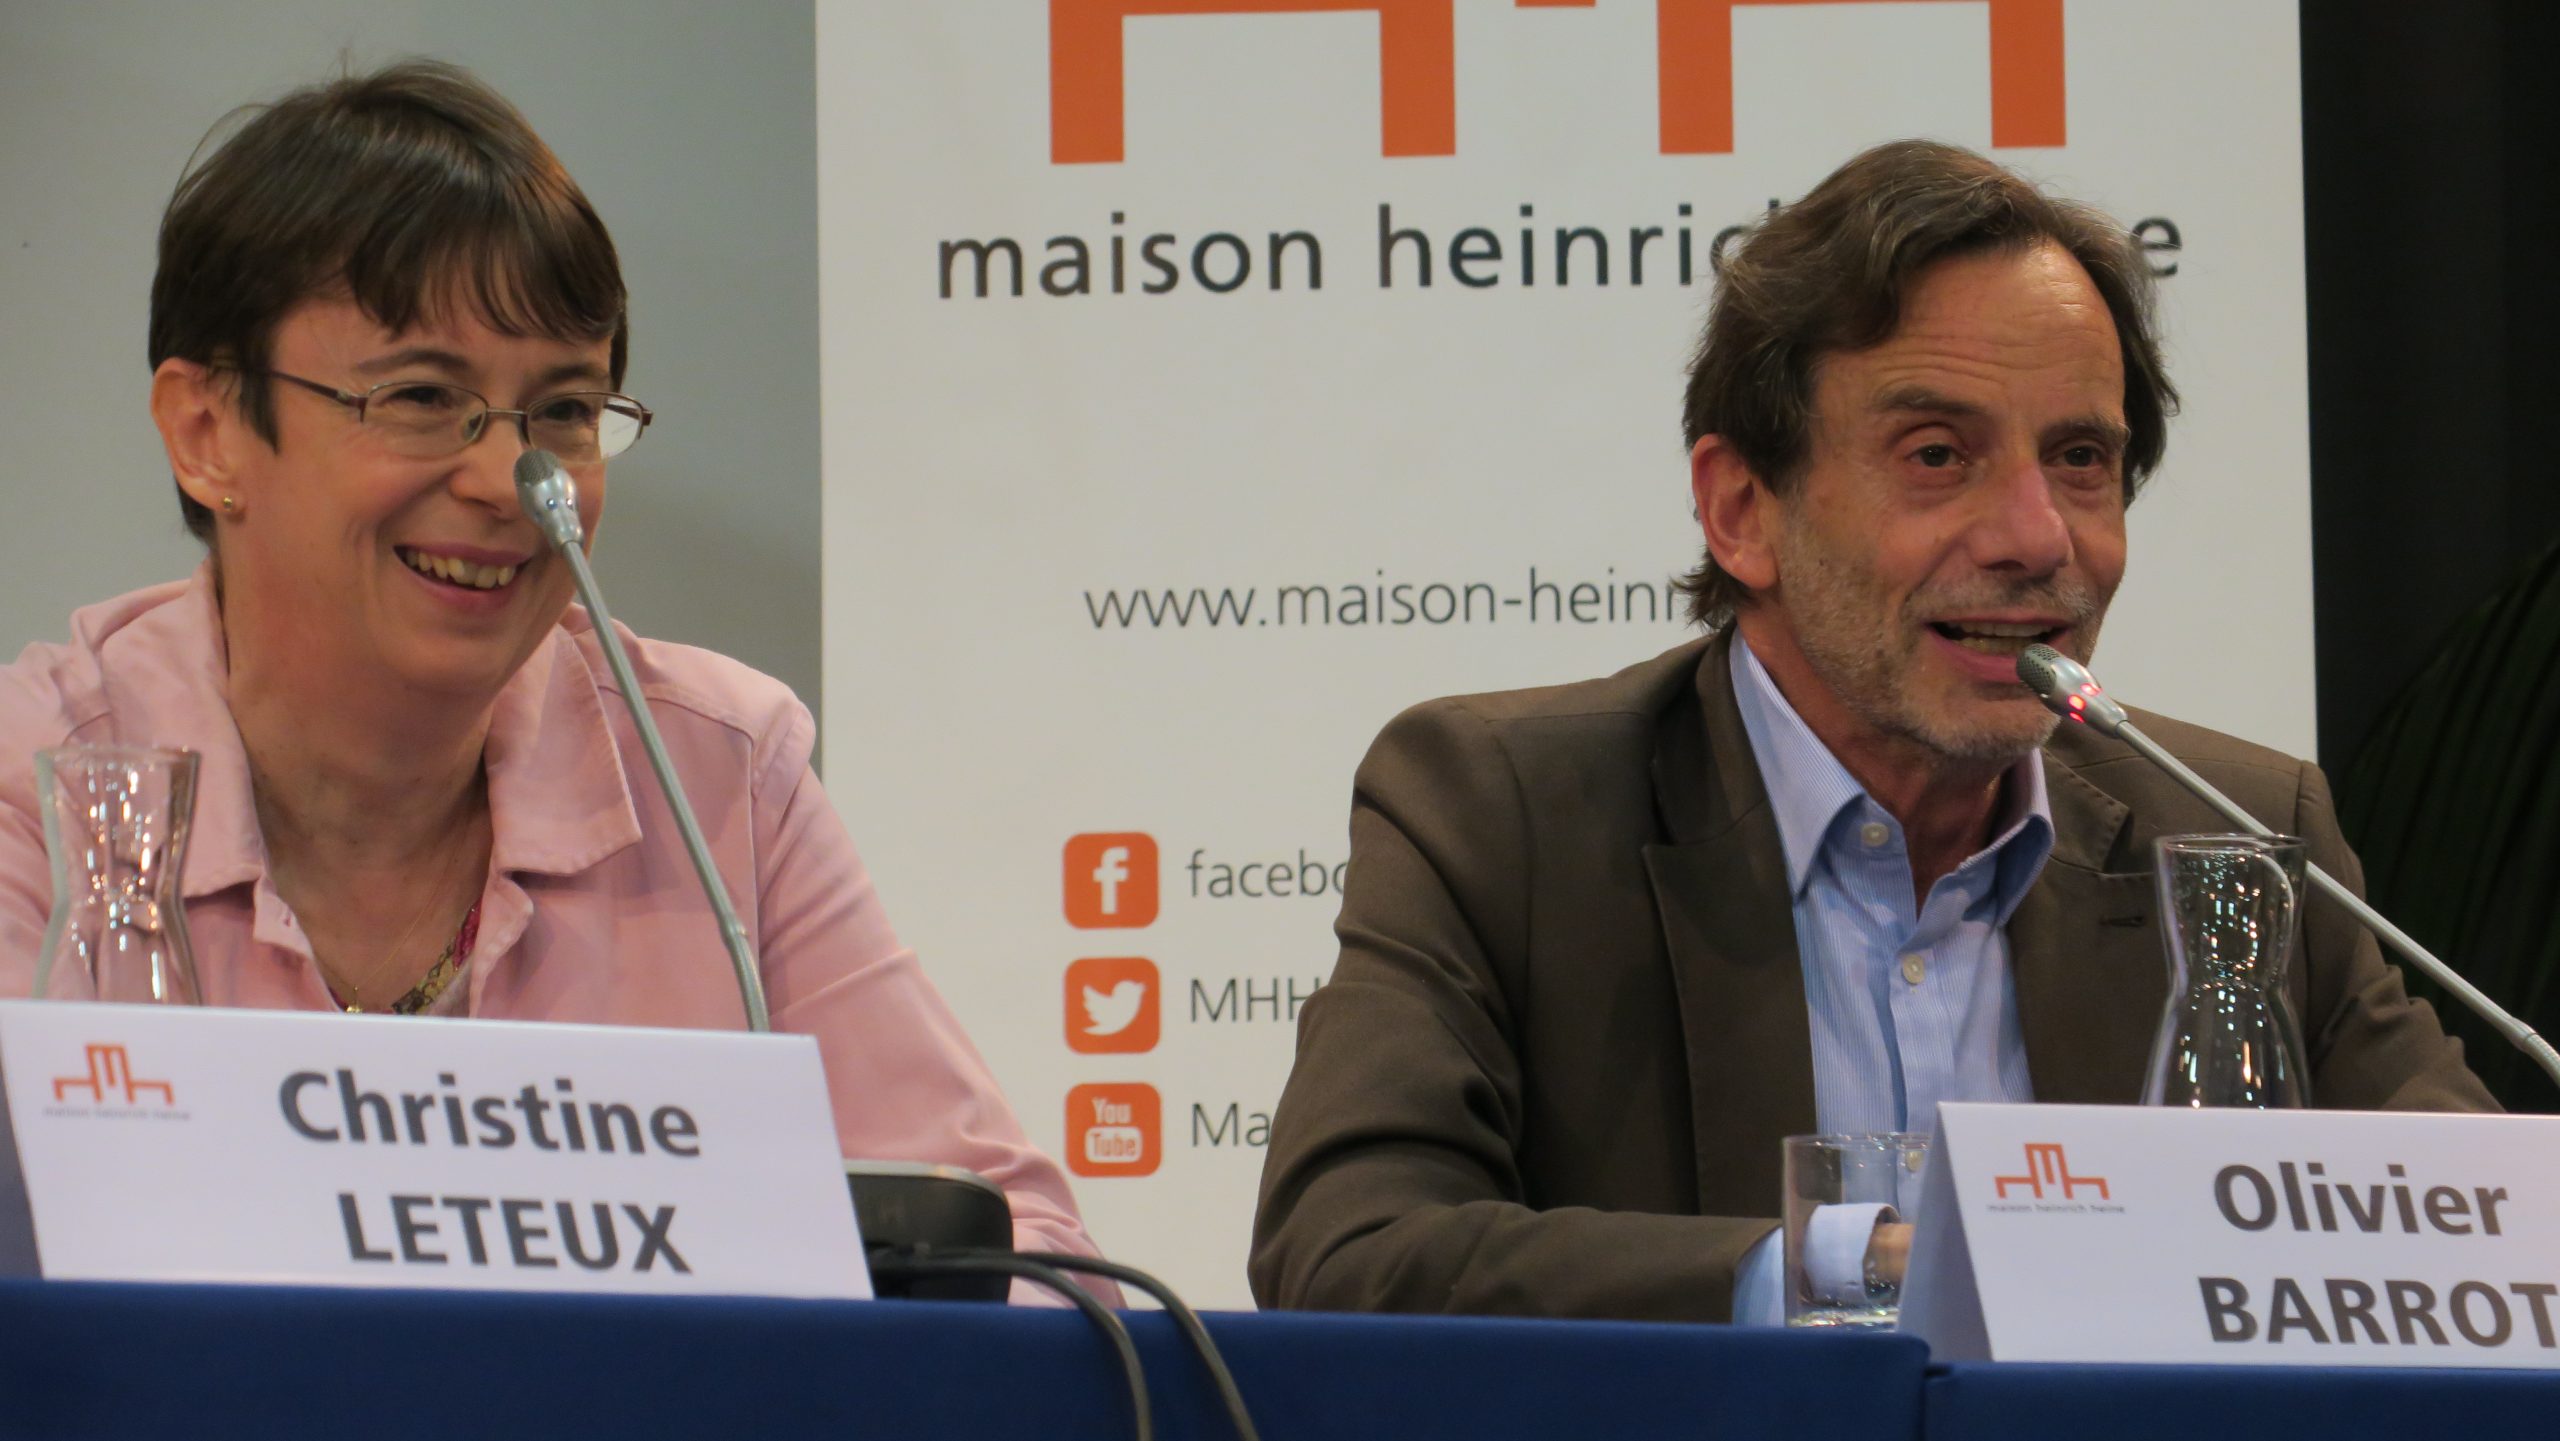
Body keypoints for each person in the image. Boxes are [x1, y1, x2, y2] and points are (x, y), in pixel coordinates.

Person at [1249, 139, 2494, 1325]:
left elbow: (2484, 1232)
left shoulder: (2236, 830)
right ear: (1743, 510)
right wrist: (1859, 1268)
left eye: (2078, 458)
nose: (2037, 537)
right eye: (1938, 454)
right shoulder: (1502, 813)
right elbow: (1350, 1249)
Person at [0, 61, 1103, 1278]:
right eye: (424, 396)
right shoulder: (32, 789)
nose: (511, 482)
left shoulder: (717, 774)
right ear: (207, 432)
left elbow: (1030, 1261)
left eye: (565, 411)